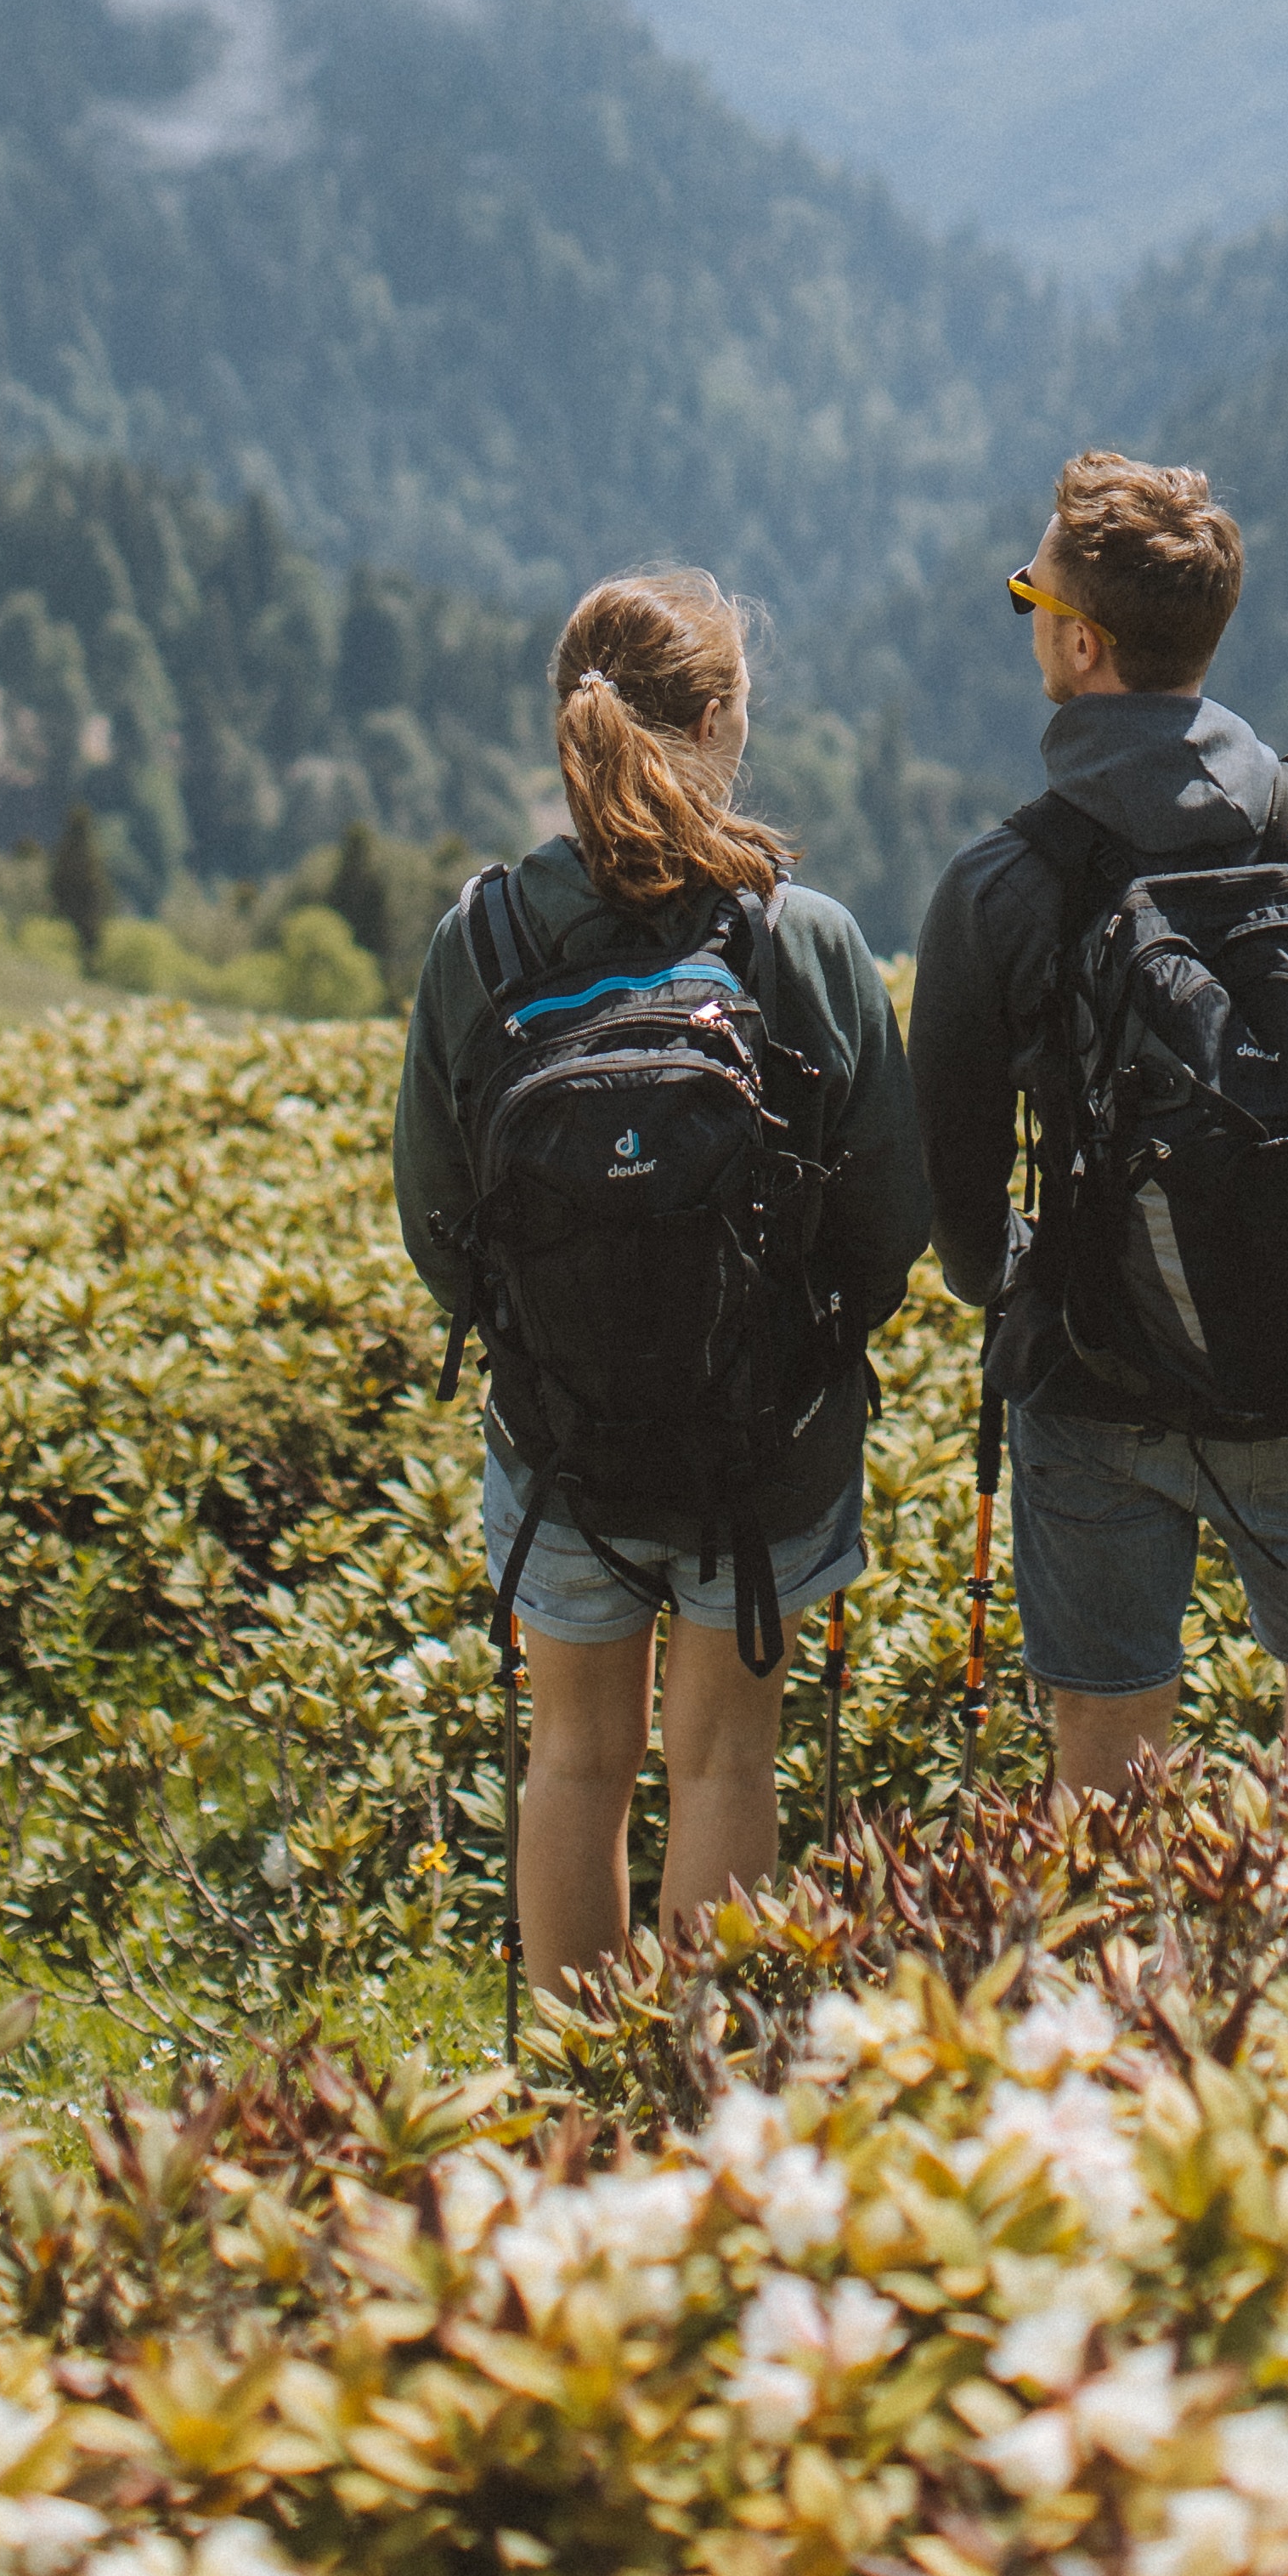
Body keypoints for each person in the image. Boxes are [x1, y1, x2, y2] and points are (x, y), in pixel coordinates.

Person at [909, 444, 1288, 1798]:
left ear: (1077, 646)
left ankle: (1131, 2003)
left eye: (1030, 601)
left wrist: (1009, 1285)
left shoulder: (1003, 886)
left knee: (1108, 1782)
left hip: (1089, 1386)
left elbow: (946, 1175)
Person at [396, 565, 929, 1984]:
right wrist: (791, 1347)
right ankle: (698, 2106)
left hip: (564, 1440)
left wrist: (558, 1342)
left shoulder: (485, 939)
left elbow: (434, 1219)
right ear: (723, 723)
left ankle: (585, 2108)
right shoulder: (797, 938)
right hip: (767, 1450)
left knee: (573, 1761)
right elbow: (890, 1218)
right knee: (724, 1760)